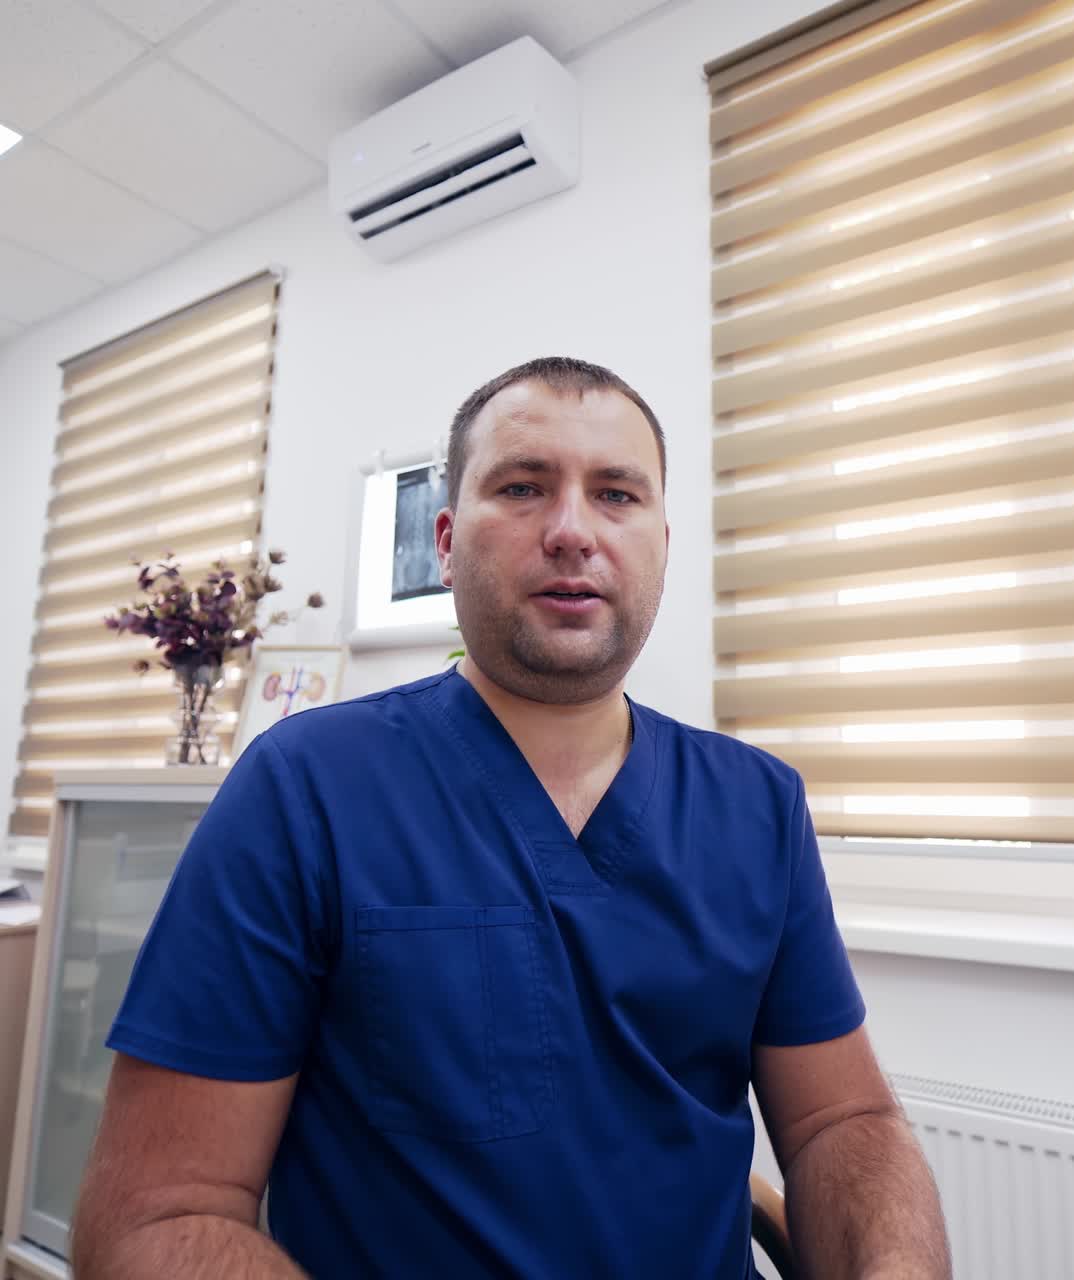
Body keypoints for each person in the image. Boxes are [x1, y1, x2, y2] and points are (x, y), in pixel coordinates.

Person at [73, 357, 951, 1279]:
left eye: (616, 494)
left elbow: (841, 1122)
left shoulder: (758, 805)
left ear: (662, 540)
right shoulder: (304, 790)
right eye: (524, 487)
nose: (572, 531)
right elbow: (158, 1218)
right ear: (446, 542)